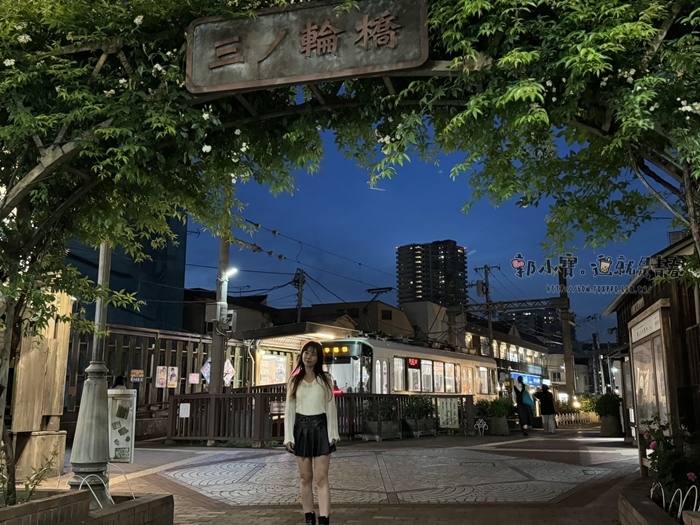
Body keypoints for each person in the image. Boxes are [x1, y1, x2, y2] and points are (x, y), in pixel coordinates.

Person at [284, 341, 339, 525]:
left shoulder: (326, 379)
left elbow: (331, 407)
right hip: (301, 429)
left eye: (313, 354)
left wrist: (333, 434)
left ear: (318, 358)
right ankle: (309, 517)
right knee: (305, 478)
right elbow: (289, 410)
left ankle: (324, 519)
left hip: (321, 428)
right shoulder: (294, 380)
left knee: (321, 478)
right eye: (306, 353)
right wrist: (288, 437)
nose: (309, 357)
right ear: (302, 355)